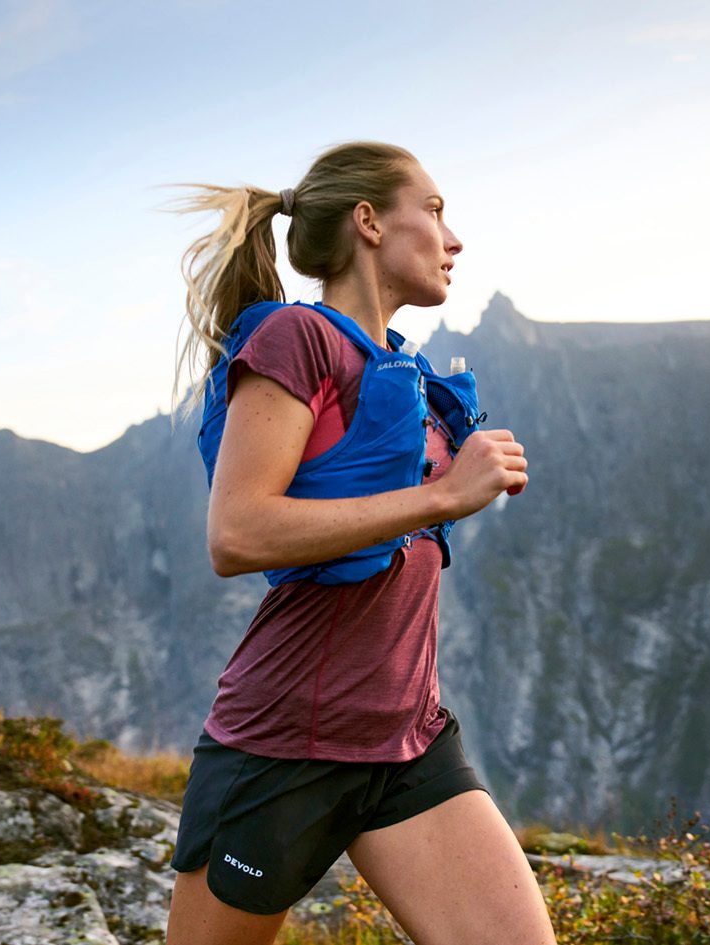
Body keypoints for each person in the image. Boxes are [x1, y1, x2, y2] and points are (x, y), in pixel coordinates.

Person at [166, 141, 552, 945]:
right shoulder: (295, 341)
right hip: (282, 745)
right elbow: (236, 531)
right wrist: (443, 494)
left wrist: (459, 480)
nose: (454, 239)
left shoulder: (401, 367)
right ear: (369, 221)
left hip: (407, 740)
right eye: (436, 210)